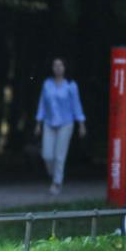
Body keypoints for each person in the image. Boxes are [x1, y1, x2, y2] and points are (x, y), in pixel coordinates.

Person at [34, 57, 86, 196]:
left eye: (60, 65)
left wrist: (81, 123)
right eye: (55, 65)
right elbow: (42, 104)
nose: (57, 68)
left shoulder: (71, 85)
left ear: (65, 67)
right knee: (47, 155)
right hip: (49, 123)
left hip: (66, 123)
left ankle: (57, 182)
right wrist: (38, 122)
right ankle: (54, 174)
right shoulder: (47, 84)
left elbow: (76, 105)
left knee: (59, 155)